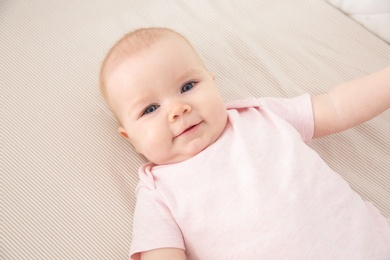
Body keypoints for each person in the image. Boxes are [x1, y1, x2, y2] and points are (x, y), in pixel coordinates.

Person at [99, 27, 390, 259]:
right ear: (130, 138)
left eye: (188, 87)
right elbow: (160, 252)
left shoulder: (259, 115)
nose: (178, 109)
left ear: (213, 83)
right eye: (150, 109)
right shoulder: (157, 191)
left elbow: (335, 107)